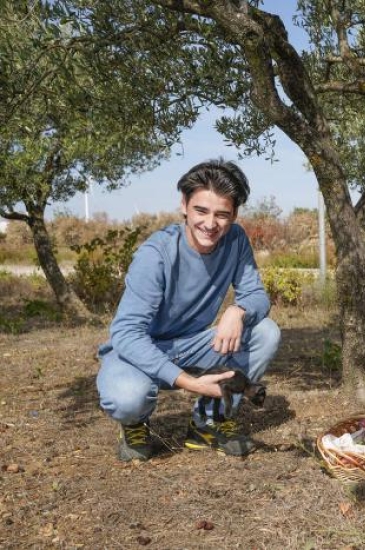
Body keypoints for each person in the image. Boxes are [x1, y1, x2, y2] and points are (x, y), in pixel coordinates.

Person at [96, 159, 281, 461]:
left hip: (192, 345)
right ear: (184, 205)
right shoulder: (155, 254)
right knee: (128, 397)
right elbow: (127, 333)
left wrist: (238, 310)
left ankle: (208, 421)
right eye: (201, 211)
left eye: (222, 214)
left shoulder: (235, 240)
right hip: (139, 351)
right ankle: (134, 423)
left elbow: (257, 296)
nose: (210, 224)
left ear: (234, 214)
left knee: (265, 332)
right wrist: (188, 382)